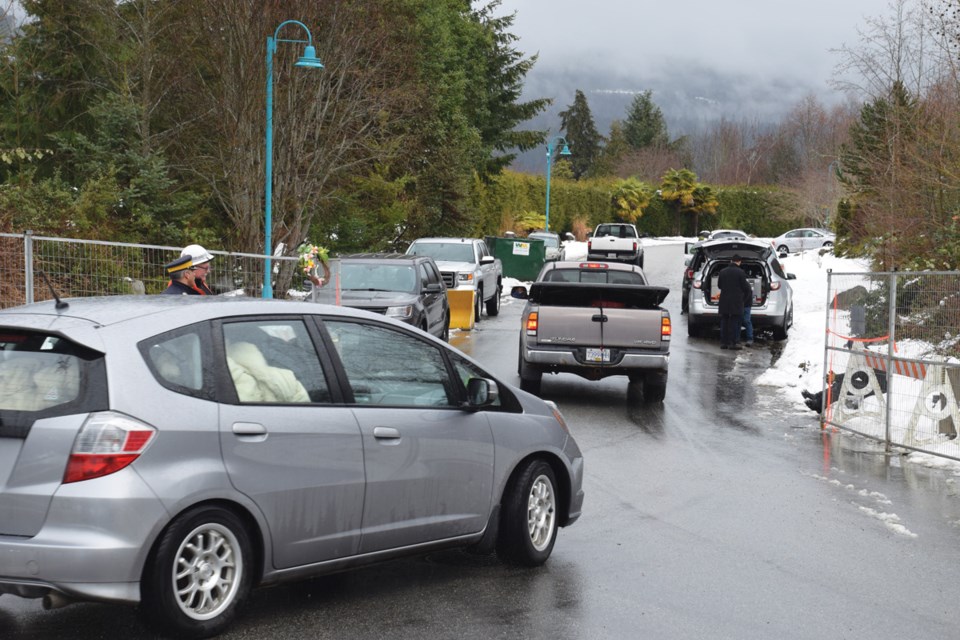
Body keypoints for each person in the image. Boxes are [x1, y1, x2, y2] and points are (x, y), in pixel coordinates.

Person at [717, 254, 752, 350]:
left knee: (724, 321)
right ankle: (733, 343)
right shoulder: (741, 272)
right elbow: (745, 287)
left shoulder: (722, 271)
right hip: (736, 302)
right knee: (734, 322)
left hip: (724, 300)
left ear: (731, 261)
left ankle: (724, 343)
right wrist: (744, 299)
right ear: (739, 261)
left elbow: (719, 286)